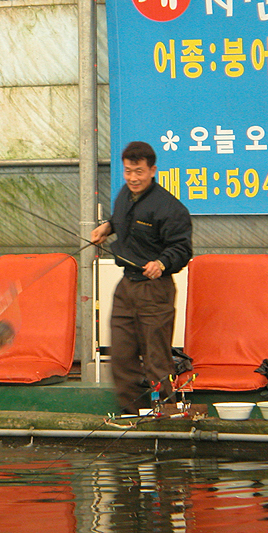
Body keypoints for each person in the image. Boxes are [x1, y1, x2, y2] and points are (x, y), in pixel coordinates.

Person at [90, 141, 192, 415]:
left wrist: (162, 263)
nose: (133, 178)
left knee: (156, 360)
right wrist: (107, 227)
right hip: (126, 286)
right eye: (128, 171)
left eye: (139, 172)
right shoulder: (125, 194)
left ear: (152, 170)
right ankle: (131, 415)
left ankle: (165, 416)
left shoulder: (170, 208)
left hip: (155, 289)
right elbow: (121, 219)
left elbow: (182, 249)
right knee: (121, 357)